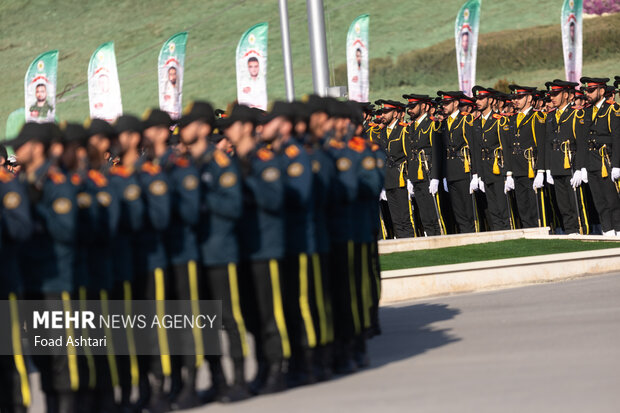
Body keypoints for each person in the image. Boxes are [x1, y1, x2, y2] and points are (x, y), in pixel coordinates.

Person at [578, 77, 620, 236]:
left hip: (606, 161)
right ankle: (607, 231)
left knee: (613, 201)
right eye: (586, 91)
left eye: (591, 90)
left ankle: (618, 230)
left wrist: (616, 164)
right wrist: (582, 166)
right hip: (591, 162)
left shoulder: (612, 109)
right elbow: (582, 141)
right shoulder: (587, 111)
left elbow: (617, 138)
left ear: (601, 91)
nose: (587, 94)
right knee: (599, 201)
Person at [505, 84, 547, 228]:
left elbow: (542, 145)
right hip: (517, 170)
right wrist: (509, 173)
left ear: (529, 98)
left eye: (520, 97)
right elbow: (509, 147)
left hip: (532, 168)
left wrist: (541, 170)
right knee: (523, 207)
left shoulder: (537, 117)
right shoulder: (512, 119)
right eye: (514, 97)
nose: (515, 100)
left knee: (535, 208)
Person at [472, 86, 512, 231]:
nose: (478, 101)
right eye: (477, 99)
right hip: (485, 169)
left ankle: (508, 233)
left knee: (502, 206)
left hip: (498, 168)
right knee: (492, 207)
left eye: (481, 98)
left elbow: (506, 148)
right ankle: (498, 233)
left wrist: (508, 173)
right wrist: (477, 174)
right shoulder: (476, 122)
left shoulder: (499, 120)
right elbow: (476, 150)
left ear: (490, 100)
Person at [437, 91, 477, 233]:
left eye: (447, 103)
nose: (444, 106)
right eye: (443, 104)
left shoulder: (466, 120)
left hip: (464, 169)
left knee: (468, 209)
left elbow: (474, 147)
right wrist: (443, 176)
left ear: (455, 103)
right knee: (458, 210)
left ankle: (473, 237)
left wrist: (475, 174)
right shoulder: (444, 123)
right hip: (451, 171)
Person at [404, 94, 443, 236]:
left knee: (435, 215)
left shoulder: (432, 124)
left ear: (424, 107)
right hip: (416, 174)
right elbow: (409, 153)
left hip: (428, 173)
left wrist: (435, 177)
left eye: (413, 107)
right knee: (425, 216)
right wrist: (409, 177)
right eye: (409, 107)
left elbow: (437, 152)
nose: (410, 110)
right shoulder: (411, 126)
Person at [375, 100, 414, 238]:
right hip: (388, 179)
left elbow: (410, 156)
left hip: (401, 178)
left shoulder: (403, 130)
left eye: (386, 112)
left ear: (396, 114)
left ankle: (412, 245)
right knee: (396, 219)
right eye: (383, 112)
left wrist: (411, 179)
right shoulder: (383, 132)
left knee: (406, 217)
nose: (383, 115)